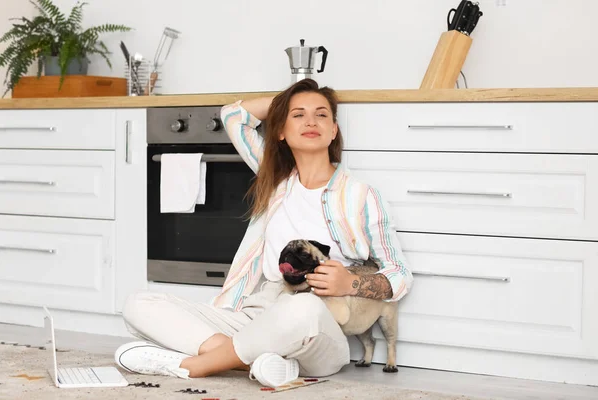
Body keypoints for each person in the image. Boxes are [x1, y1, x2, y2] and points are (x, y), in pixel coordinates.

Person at [113, 79, 414, 387]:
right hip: (256, 310)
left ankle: (196, 365)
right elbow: (233, 116)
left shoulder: (361, 196)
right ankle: (260, 361)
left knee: (302, 307)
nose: (311, 121)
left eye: (321, 114)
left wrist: (350, 282)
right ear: (280, 131)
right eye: (298, 115)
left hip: (318, 322)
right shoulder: (276, 181)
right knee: (139, 304)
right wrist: (287, 103)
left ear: (334, 129)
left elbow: (400, 275)